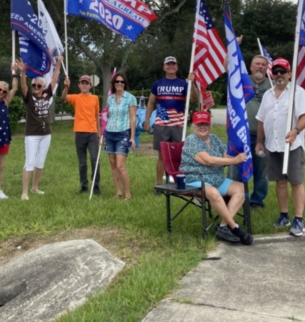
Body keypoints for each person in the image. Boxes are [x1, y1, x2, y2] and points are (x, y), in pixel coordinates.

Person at [255, 57, 305, 237]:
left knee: (296, 182)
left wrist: (296, 130)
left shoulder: (298, 92)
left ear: (290, 74)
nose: (279, 75)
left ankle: (298, 219)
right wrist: (259, 142)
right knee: (279, 182)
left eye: (283, 72)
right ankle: (284, 215)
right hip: (273, 145)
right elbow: (261, 120)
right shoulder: (267, 94)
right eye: (276, 72)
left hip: (292, 145)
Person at [179, 111, 253, 245]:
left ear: (210, 125)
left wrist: (241, 157)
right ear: (194, 125)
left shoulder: (214, 139)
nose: (202, 127)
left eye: (205, 124)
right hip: (196, 179)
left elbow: (225, 157)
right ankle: (234, 227)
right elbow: (208, 161)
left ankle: (223, 226)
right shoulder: (191, 140)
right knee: (213, 192)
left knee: (240, 188)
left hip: (217, 178)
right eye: (199, 124)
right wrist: (234, 160)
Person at [144, 56, 199, 190]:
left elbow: (194, 99)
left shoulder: (183, 84)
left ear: (177, 67)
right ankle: (159, 184)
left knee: (179, 155)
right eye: (168, 64)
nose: (170, 66)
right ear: (164, 67)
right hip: (162, 124)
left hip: (179, 124)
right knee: (161, 155)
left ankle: (178, 182)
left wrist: (193, 84)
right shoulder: (158, 84)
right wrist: (146, 120)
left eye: (173, 64)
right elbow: (151, 103)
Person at [227, 51, 271, 210]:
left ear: (267, 68)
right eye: (257, 64)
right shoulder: (241, 81)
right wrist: (233, 47)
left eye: (263, 64)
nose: (260, 66)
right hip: (240, 136)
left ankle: (257, 202)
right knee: (236, 169)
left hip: (263, 137)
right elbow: (228, 66)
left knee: (261, 172)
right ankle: (234, 198)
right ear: (251, 67)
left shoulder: (272, 86)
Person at [19, 56, 63, 200]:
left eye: (39, 86)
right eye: (34, 86)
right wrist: (23, 73)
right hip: (32, 134)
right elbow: (24, 87)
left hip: (46, 133)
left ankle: (35, 187)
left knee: (40, 161)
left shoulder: (46, 94)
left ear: (43, 87)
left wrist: (58, 65)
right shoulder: (29, 98)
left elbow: (55, 79)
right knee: (30, 161)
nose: (36, 88)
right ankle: (24, 192)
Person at [62, 73, 101, 195]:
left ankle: (96, 186)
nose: (84, 85)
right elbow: (64, 97)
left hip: (92, 134)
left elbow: (97, 115)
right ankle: (84, 186)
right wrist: (66, 87)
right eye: (82, 83)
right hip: (79, 133)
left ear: (90, 85)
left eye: (87, 83)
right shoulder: (76, 97)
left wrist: (99, 133)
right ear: (79, 85)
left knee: (95, 159)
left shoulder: (95, 98)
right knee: (82, 162)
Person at [103, 72, 137, 201]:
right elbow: (108, 116)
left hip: (123, 132)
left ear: (125, 84)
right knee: (112, 164)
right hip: (110, 132)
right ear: (113, 83)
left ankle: (128, 194)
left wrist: (132, 137)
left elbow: (133, 118)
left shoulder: (130, 98)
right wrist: (103, 132)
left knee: (120, 165)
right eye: (117, 81)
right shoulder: (110, 99)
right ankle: (118, 192)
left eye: (122, 82)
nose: (119, 84)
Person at [0, 64, 19, 201]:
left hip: (2, 138)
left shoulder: (5, 102)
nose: (1, 92)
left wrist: (14, 73)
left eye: (4, 91)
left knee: (0, 166)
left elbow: (15, 88)